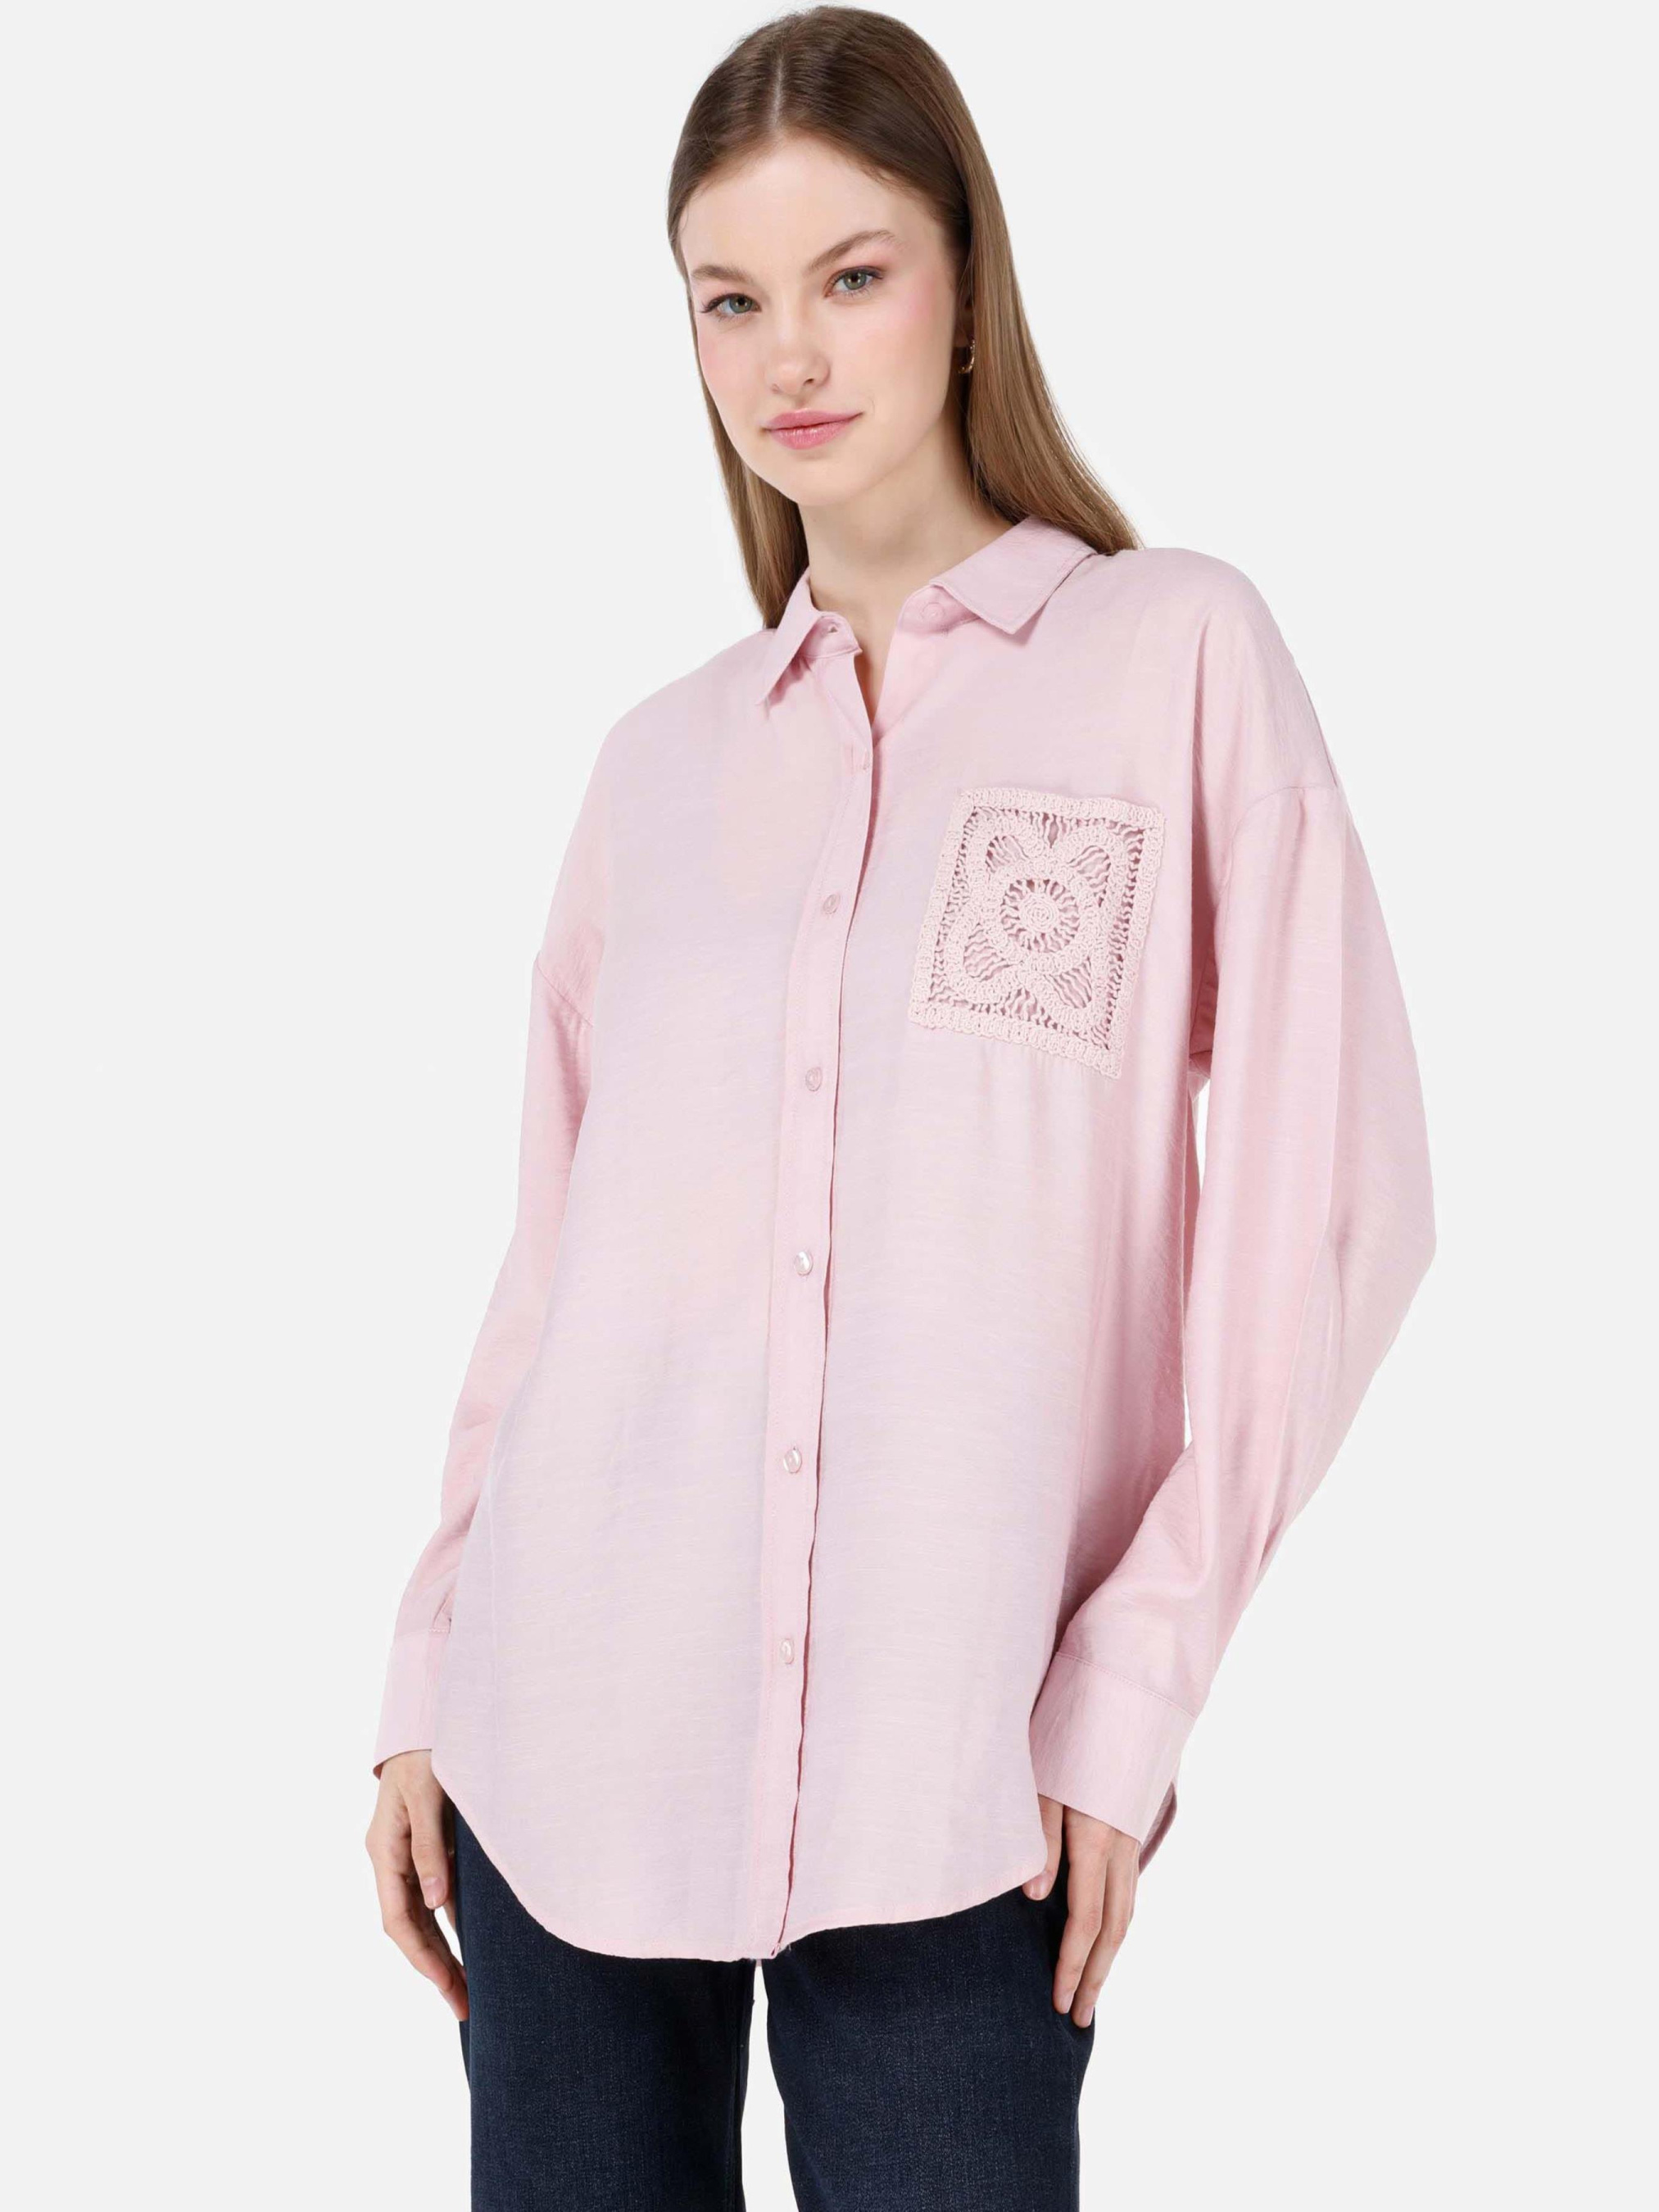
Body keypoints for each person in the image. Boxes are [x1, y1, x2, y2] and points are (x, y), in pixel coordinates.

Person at [365, 9, 1436, 2206]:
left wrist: (1129, 1693)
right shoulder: (657, 767)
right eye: (727, 298)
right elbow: (549, 1280)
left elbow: (1336, 1210)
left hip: (963, 1777)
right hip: (560, 1745)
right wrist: (421, 1673)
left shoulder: (1170, 656)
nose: (789, 355)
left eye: (850, 275)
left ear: (963, 283)